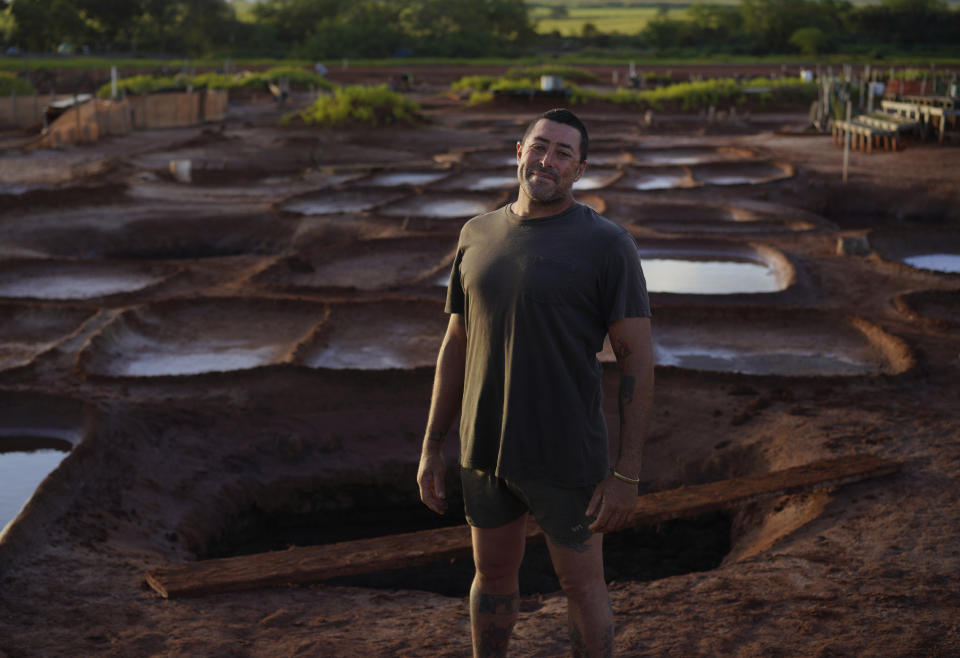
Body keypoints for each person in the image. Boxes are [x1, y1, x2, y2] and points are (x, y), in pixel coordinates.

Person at [417, 108, 654, 657]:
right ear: (518, 152)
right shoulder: (476, 234)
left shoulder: (607, 246)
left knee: (581, 584)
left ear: (580, 170)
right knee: (492, 574)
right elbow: (457, 343)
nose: (548, 160)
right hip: (484, 450)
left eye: (563, 153)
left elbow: (636, 360)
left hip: (565, 455)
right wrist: (433, 445)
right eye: (540, 146)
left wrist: (626, 474)